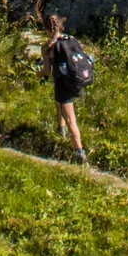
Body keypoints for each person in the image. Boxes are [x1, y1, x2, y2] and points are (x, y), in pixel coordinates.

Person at [43, 13, 90, 165]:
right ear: (60, 26)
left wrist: (38, 73)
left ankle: (79, 151)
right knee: (59, 103)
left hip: (62, 84)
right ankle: (60, 128)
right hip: (75, 80)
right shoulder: (70, 39)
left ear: (46, 28)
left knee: (71, 119)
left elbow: (47, 71)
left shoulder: (47, 47)